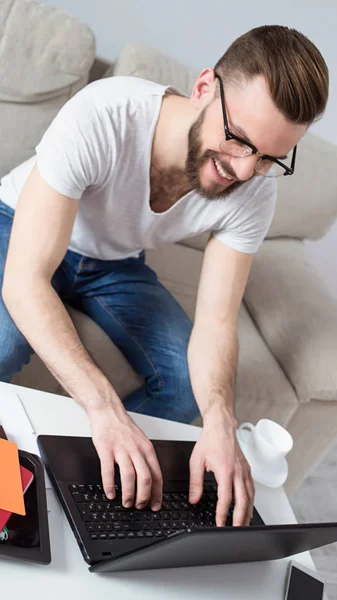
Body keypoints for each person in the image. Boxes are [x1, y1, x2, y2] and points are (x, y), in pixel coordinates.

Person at [0, 25, 328, 528]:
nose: (243, 171)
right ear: (203, 89)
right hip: (17, 222)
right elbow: (25, 281)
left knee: (183, 384)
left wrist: (220, 422)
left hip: (114, 263)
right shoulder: (106, 115)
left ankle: (81, 483)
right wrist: (105, 410)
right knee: (6, 342)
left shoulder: (257, 190)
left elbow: (217, 323)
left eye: (268, 157)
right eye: (239, 140)